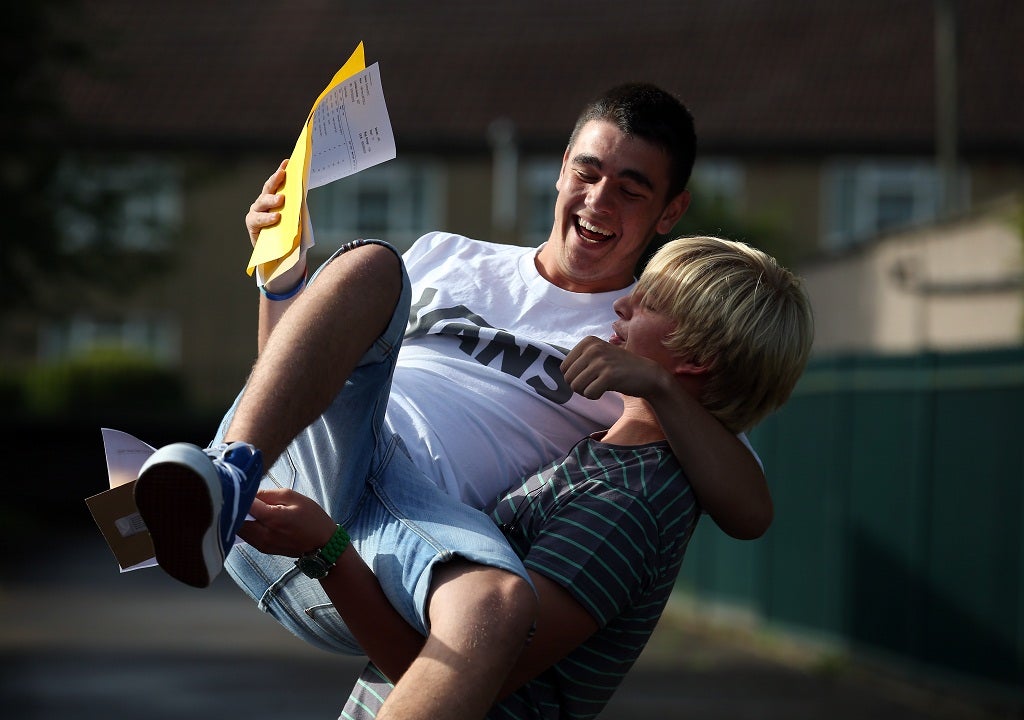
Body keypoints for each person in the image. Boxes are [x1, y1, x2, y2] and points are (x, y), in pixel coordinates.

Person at [131, 83, 771, 720]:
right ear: (561, 170)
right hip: (313, 466)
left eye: (631, 190)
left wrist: (657, 384)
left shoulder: (642, 339)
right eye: (588, 172)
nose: (599, 200)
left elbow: (750, 512)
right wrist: (281, 279)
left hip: (403, 539)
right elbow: (292, 383)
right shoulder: (449, 254)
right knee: (369, 265)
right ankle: (223, 479)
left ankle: (202, 488)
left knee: (497, 607)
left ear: (670, 211)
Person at [241, 235, 814, 719]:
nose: (621, 305)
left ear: (695, 359)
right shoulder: (605, 455)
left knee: (369, 267)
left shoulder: (630, 500)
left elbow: (453, 671)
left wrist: (328, 551)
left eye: (650, 303)